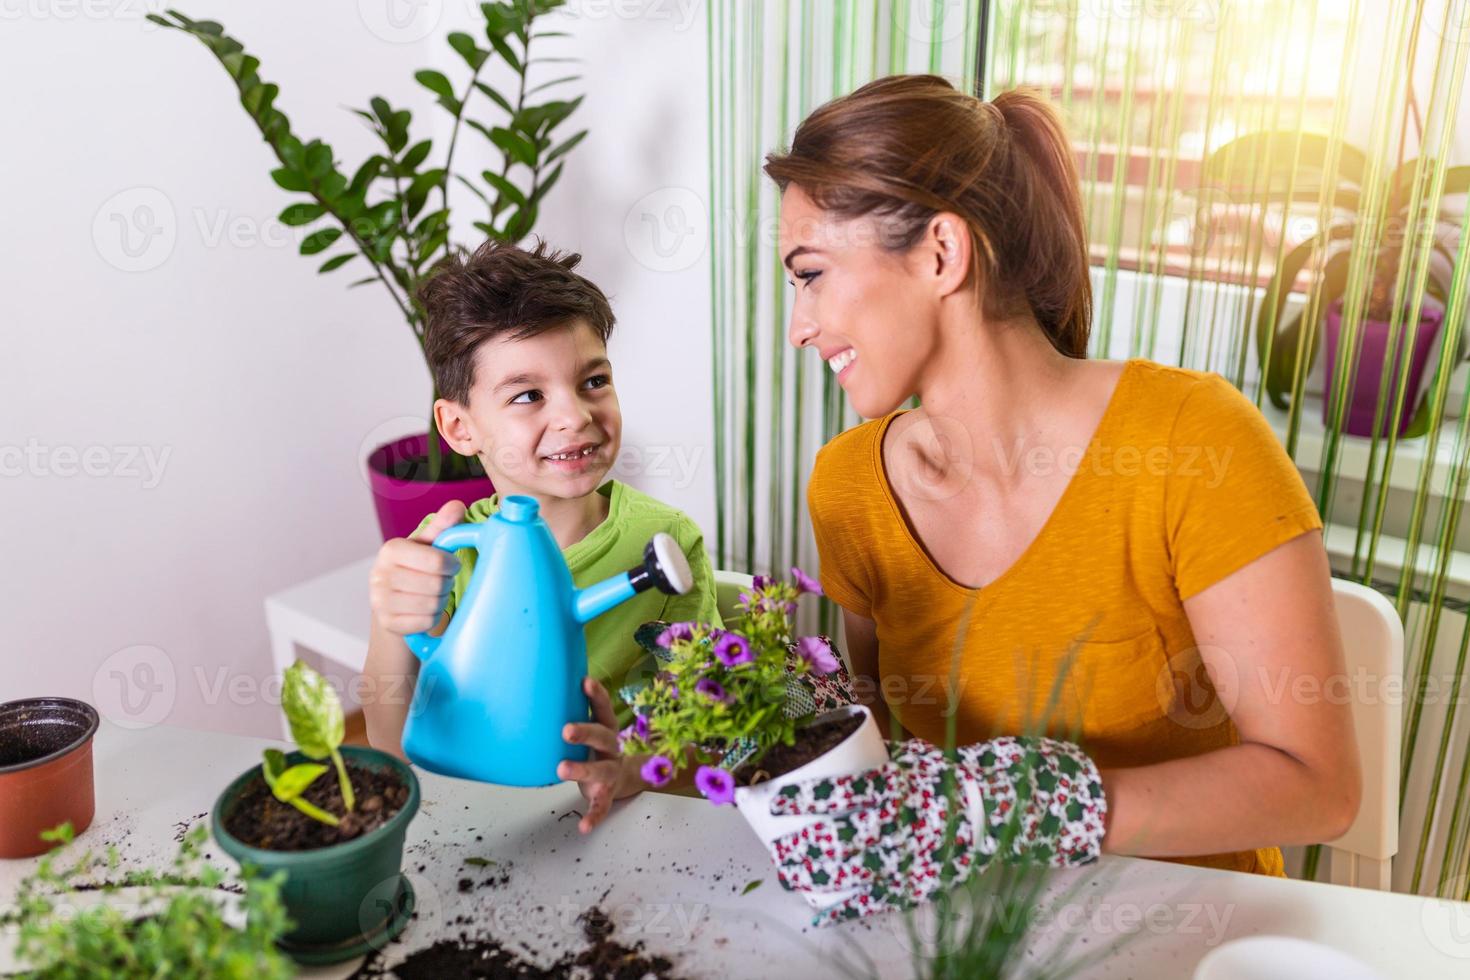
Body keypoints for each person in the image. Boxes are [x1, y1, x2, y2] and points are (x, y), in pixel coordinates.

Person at [760, 75, 1361, 923]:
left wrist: (1018, 804)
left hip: (1194, 936)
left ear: (941, 254)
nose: (800, 324)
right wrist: (744, 711)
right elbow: (874, 735)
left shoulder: (1192, 443)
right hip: (966, 936)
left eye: (811, 274)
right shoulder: (849, 487)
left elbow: (1318, 786)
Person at [362, 239, 722, 833]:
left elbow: (694, 716)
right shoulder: (444, 553)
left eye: (594, 381)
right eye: (528, 395)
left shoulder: (666, 541)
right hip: (468, 821)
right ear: (459, 426)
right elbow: (388, 739)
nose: (576, 415)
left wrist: (626, 769)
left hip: (614, 825)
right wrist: (390, 621)